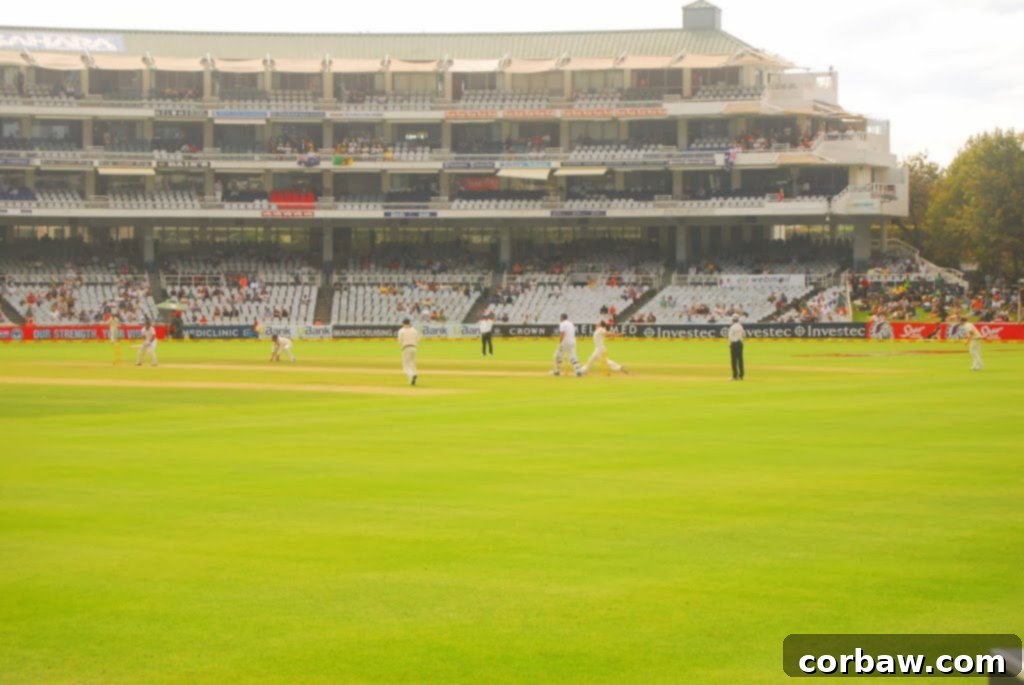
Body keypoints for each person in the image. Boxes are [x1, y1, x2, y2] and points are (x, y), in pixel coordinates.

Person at [398, 318, 419, 385]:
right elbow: (417, 339)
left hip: (406, 348)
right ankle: (411, 381)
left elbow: (400, 341)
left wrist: (402, 345)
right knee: (412, 363)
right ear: (409, 323)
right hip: (414, 347)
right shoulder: (414, 330)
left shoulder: (401, 330)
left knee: (406, 365)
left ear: (403, 323)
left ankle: (413, 374)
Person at [728, 315, 745, 380]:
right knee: (740, 359)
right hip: (740, 343)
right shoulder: (740, 326)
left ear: (733, 320)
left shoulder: (732, 327)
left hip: (734, 343)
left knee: (734, 360)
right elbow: (743, 334)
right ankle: (741, 375)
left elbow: (730, 337)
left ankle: (735, 376)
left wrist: (729, 344)